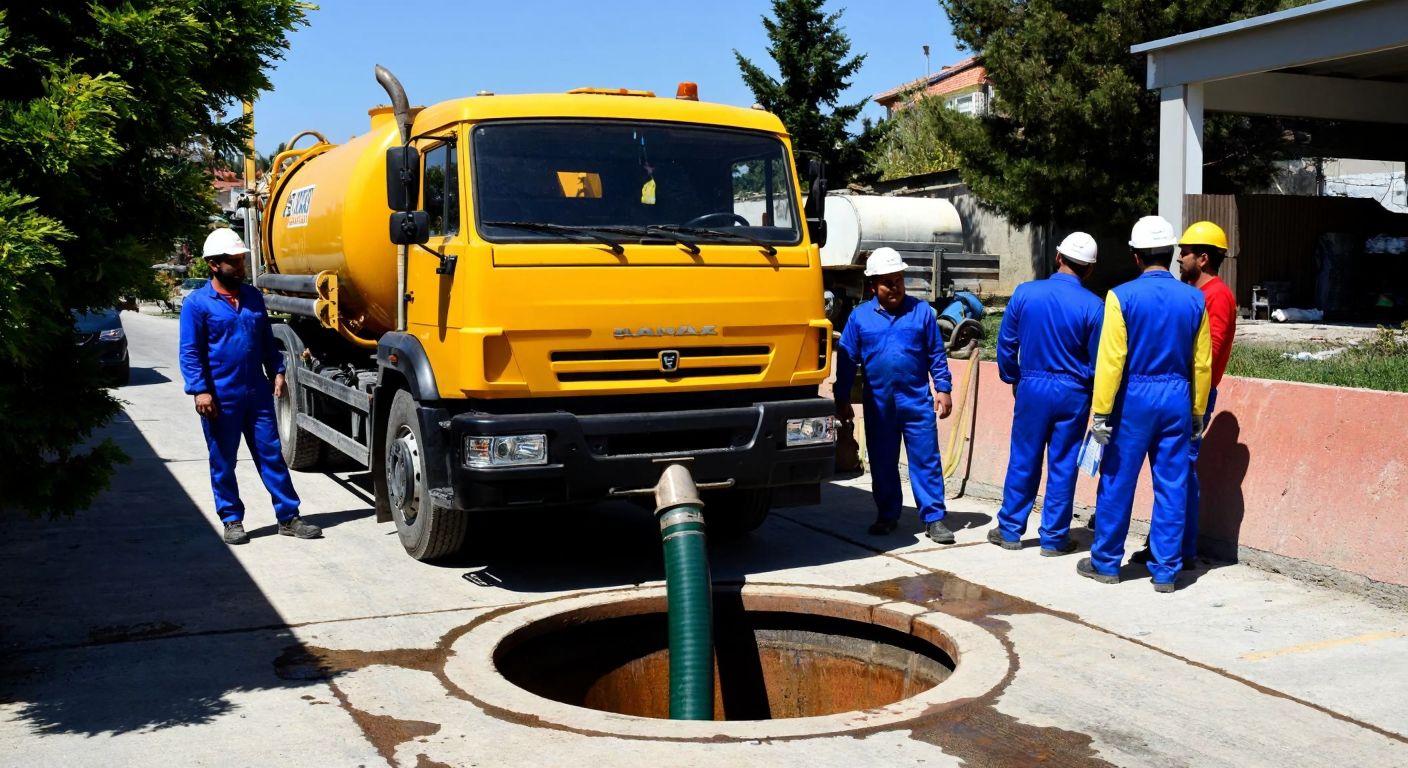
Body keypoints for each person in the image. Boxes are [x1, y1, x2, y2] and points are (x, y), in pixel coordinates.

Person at [1078, 216, 1210, 593]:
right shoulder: (1194, 299)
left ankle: (1105, 562)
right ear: (1170, 255)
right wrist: (1197, 411)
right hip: (1178, 399)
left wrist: (1101, 411)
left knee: (1118, 481)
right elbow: (1202, 362)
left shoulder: (1121, 296)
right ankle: (1166, 571)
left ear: (1136, 257)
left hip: (1133, 400)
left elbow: (1111, 361)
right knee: (1172, 484)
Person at [179, 228, 321, 545]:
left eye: (242, 260)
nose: (242, 267)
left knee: (271, 454)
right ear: (214, 264)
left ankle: (288, 516)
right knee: (223, 460)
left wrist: (278, 370)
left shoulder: (253, 297)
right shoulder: (198, 304)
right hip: (219, 396)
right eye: (235, 262)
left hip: (256, 392)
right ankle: (231, 519)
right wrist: (200, 390)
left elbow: (266, 342)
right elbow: (189, 352)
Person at [987, 232, 1103, 556]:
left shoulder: (1025, 293)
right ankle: (1053, 539)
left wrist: (1013, 377)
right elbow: (1099, 361)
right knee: (1063, 464)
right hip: (1074, 393)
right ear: (1090, 269)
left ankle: (1010, 530)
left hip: (1032, 387)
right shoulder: (1095, 306)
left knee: (1024, 457)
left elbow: (1007, 343)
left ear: (1058, 258)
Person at [1130, 221, 1236, 565]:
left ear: (1203, 259)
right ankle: (1170, 547)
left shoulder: (1216, 296)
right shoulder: (1197, 294)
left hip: (1192, 396)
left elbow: (1211, 351)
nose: (1179, 259)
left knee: (1180, 473)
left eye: (1185, 253)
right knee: (1176, 473)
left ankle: (1177, 549)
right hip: (1181, 393)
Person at [834, 247, 957, 543]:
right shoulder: (859, 318)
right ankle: (888, 515)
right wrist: (842, 401)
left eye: (899, 280)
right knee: (883, 461)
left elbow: (936, 354)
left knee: (926, 460)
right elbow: (847, 360)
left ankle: (934, 518)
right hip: (879, 405)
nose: (896, 288)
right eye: (888, 282)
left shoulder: (922, 313)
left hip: (916, 403)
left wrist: (942, 388)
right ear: (873, 285)